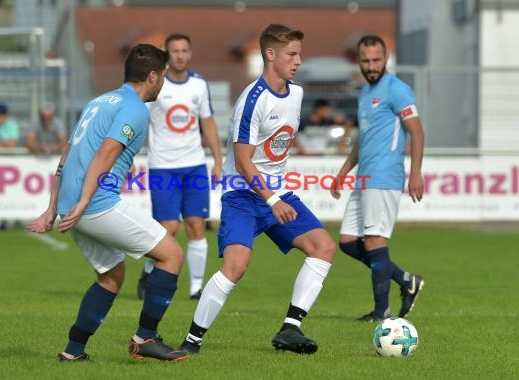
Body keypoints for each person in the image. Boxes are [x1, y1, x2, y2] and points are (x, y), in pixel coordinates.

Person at [178, 24, 337, 355]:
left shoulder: (297, 93)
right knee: (236, 266)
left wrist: (277, 196)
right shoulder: (253, 100)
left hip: (276, 195)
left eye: (299, 54)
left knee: (323, 247)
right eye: (292, 54)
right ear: (271, 54)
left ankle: (290, 329)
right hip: (243, 197)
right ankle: (192, 340)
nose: (298, 60)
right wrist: (273, 198)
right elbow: (243, 159)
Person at [27, 44, 189, 362]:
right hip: (94, 203)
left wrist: (53, 208)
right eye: (165, 75)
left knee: (111, 275)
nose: (165, 82)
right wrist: (85, 201)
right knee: (171, 255)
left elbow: (68, 153)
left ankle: (73, 351)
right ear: (153, 76)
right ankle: (146, 338)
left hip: (71, 207)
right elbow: (107, 154)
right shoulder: (136, 108)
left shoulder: (98, 101)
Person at [330, 35, 425, 322]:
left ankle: (381, 312)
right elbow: (364, 136)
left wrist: (416, 172)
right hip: (364, 177)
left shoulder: (397, 90)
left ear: (385, 59)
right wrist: (344, 170)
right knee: (347, 241)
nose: (371, 66)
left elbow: (417, 132)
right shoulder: (363, 93)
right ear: (358, 60)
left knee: (374, 240)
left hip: (384, 176)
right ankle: (406, 279)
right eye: (365, 60)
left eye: (376, 60)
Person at [136, 33, 222, 301]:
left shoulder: (199, 84)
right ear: (167, 54)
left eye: (185, 50)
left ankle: (196, 287)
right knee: (169, 227)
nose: (180, 55)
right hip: (163, 166)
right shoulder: (156, 84)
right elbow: (140, 119)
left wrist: (218, 160)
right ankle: (150, 268)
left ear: (190, 53)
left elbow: (207, 122)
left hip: (194, 165)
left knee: (196, 224)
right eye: (175, 51)